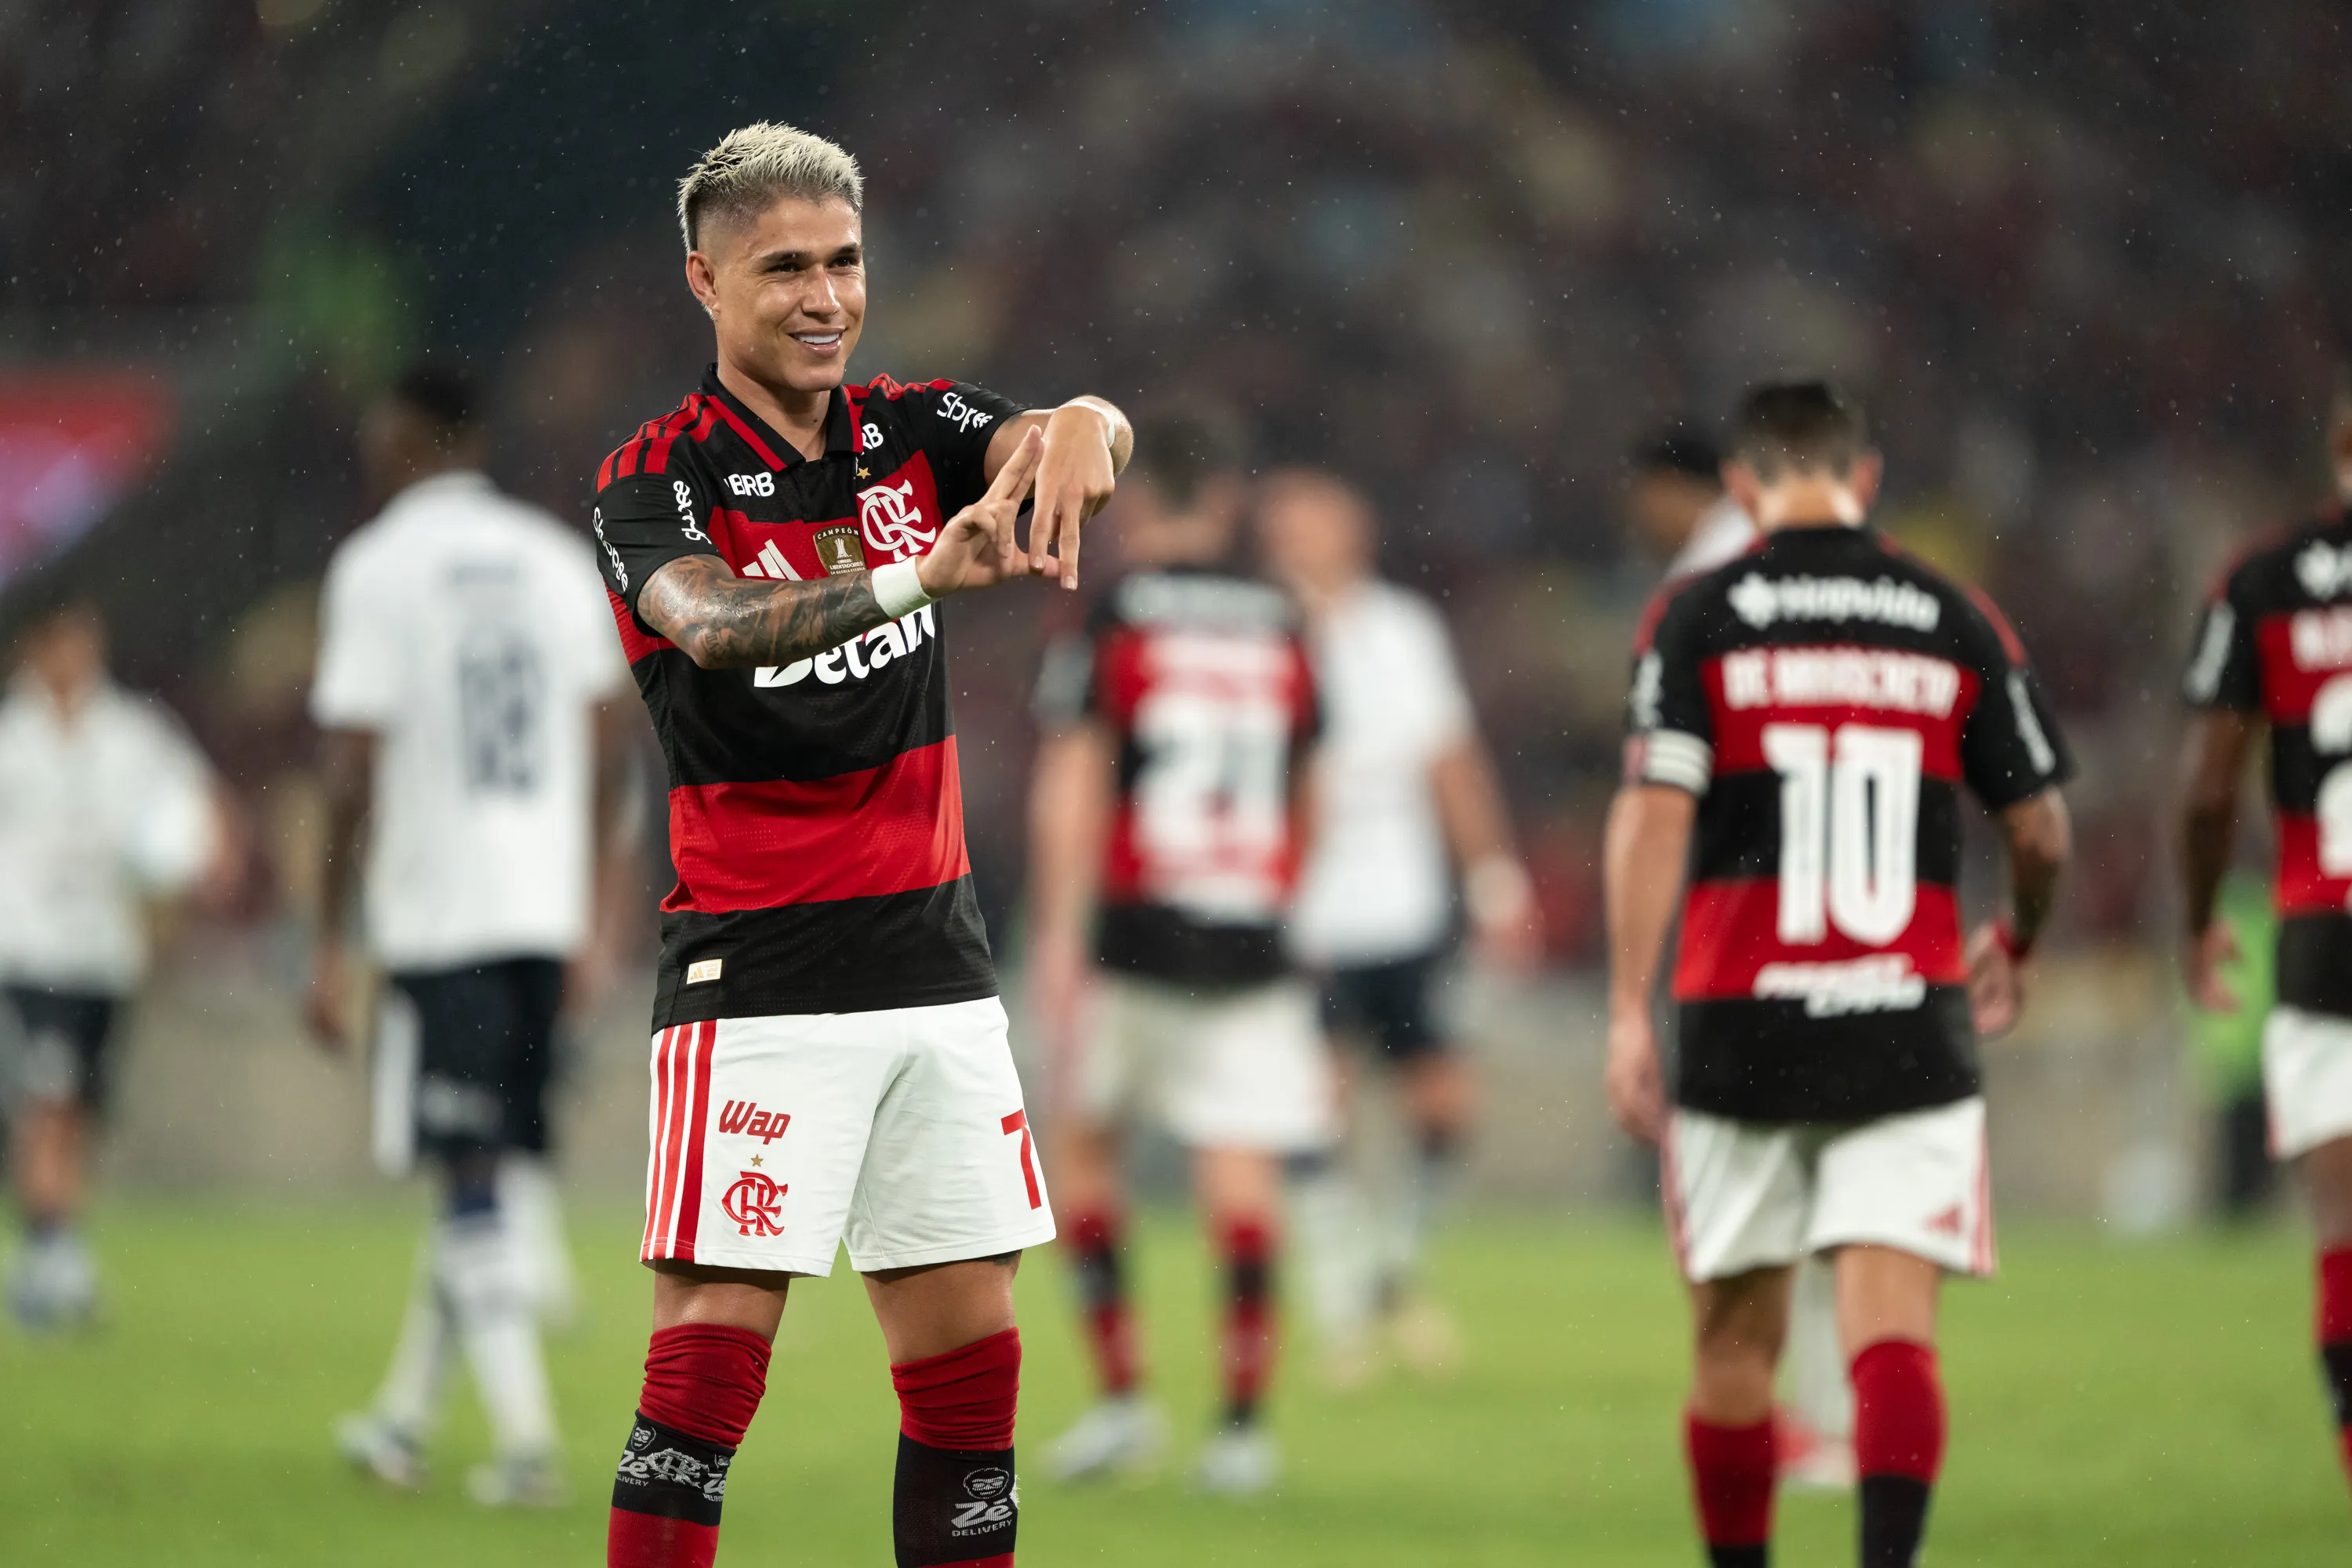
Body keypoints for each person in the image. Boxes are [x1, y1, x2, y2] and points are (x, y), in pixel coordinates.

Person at [586, 122, 1127, 1568]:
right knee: (703, 1383)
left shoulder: (909, 426)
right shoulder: (658, 481)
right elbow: (710, 623)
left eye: (845, 263)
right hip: (754, 981)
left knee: (973, 1385)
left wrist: (1078, 420)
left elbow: (1055, 442)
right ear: (704, 281)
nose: (826, 297)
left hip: (937, 975)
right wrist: (907, 578)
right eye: (785, 270)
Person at [1603, 381, 2073, 1568]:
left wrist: (1624, 1006)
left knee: (1734, 1350)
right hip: (1904, 1017)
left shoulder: (1696, 614)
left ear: (1744, 489)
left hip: (1737, 1020)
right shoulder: (1951, 613)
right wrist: (2016, 937)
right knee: (1890, 1338)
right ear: (1865, 478)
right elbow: (2043, 830)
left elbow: (1656, 816)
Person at [308, 362, 637, 1504]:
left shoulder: (377, 568)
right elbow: (610, 736)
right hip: (541, 910)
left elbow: (350, 764)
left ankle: (529, 1446)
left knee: (469, 1181)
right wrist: (597, 905)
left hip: (441, 910)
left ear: (401, 442)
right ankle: (403, 1423)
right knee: (483, 1170)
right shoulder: (554, 562)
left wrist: (327, 936)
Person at [1025, 410, 1326, 1494]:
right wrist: (1289, 898)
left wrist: (1060, 934)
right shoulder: (1284, 621)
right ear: (1231, 503)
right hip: (1251, 925)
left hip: (1135, 924)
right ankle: (1242, 1427)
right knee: (1240, 1175)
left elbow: (1078, 778)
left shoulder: (1118, 610)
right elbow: (1309, 788)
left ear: (1139, 504)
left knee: (1089, 1149)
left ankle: (1123, 1400)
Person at [1254, 467, 1539, 1385]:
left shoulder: (1403, 632)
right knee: (1317, 1106)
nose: (1296, 540)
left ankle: (1393, 1275)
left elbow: (1449, 763)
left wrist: (1494, 879)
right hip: (1303, 913)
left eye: (1313, 523)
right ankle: (1342, 1312)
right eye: (1285, 526)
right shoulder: (1257, 631)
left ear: (1355, 532)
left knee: (1445, 1105)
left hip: (1404, 906)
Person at [1625, 422, 1857, 1493]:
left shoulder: (1707, 579)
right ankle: (1830, 1415)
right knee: (1829, 1178)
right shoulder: (1853, 573)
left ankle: (1786, 1418)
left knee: (1752, 1190)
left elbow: (1669, 769)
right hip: (1854, 907)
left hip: (1750, 905)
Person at [2178, 365, 2352, 1495]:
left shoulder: (2265, 579)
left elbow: (2207, 790)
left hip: (2325, 937)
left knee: (2342, 1235)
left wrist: (2197, 919)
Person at [0, 600, 228, 1328]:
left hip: (105, 954)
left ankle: (53, 1253)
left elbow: (196, 805)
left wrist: (205, 853)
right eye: (63, 642)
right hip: (29, 949)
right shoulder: (12, 741)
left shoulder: (131, 733)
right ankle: (51, 1254)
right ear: (36, 650)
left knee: (81, 1112)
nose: (76, 655)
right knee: (49, 1100)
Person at [1627, 423, 1759, 580]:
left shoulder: (1725, 545)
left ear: (1672, 483)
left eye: (1648, 500)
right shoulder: (1748, 521)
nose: (1644, 516)